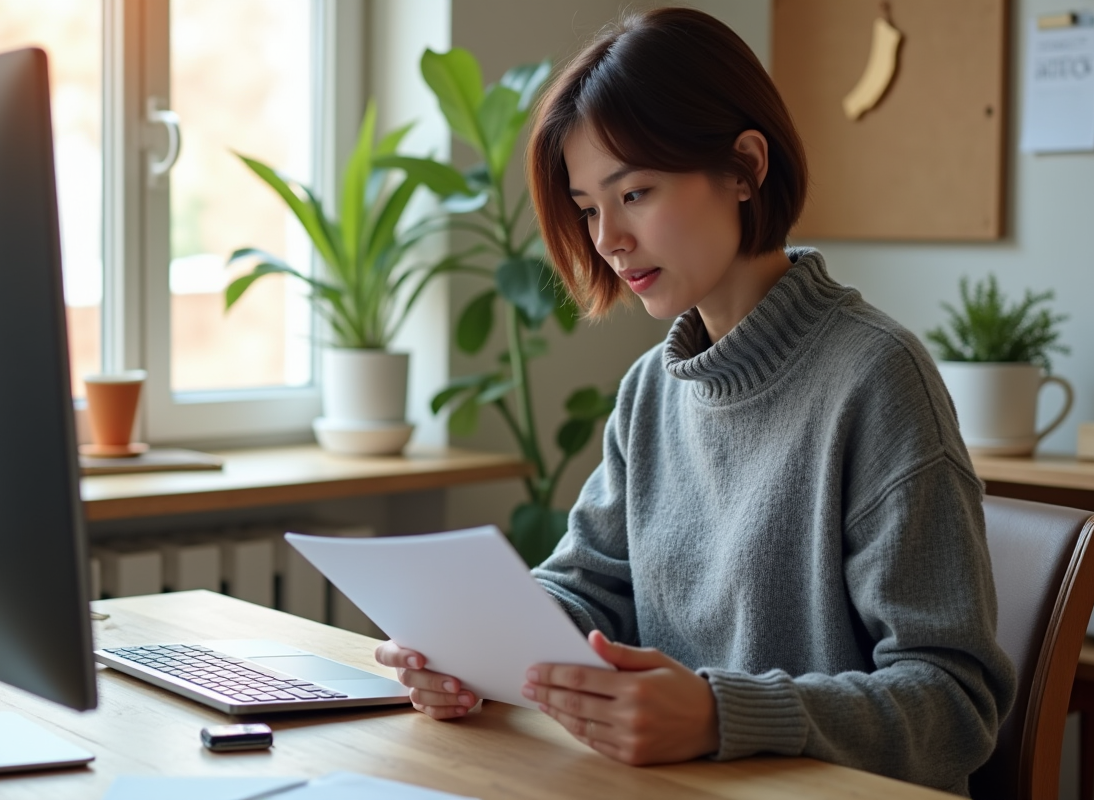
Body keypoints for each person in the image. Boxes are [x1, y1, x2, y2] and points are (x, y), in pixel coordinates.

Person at [376, 7, 1016, 795]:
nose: (607, 237)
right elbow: (585, 589)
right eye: (587, 208)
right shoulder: (652, 390)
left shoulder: (877, 379)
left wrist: (723, 715)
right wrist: (472, 650)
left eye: (635, 191)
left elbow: (954, 705)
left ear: (745, 167)